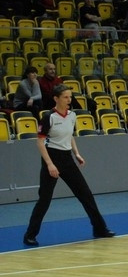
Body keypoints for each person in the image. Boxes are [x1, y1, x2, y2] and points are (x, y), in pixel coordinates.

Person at [22, 84, 115, 247]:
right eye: (65, 97)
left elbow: (69, 135)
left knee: (86, 194)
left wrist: (76, 153)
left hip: (67, 159)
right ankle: (30, 235)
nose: (69, 100)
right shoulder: (49, 117)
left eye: (70, 97)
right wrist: (50, 164)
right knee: (44, 199)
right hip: (51, 158)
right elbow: (40, 142)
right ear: (56, 99)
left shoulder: (72, 115)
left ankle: (100, 229)